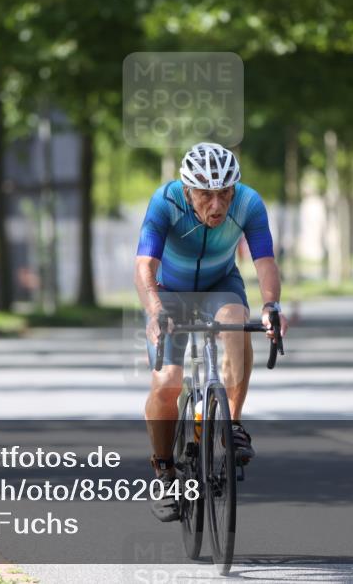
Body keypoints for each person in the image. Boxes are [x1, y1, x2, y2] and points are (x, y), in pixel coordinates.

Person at [134, 142, 288, 521]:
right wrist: (154, 312)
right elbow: (145, 265)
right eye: (206, 195)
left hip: (221, 286)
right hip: (169, 292)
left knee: (238, 323)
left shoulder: (249, 203)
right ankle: (165, 471)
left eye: (224, 193)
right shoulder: (165, 202)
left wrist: (271, 306)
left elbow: (264, 260)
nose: (217, 205)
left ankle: (232, 425)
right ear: (188, 190)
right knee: (168, 382)